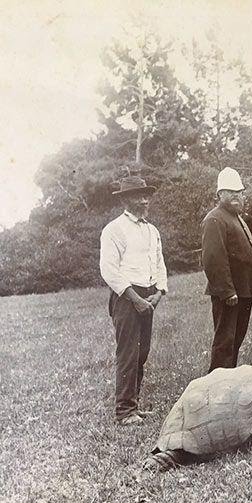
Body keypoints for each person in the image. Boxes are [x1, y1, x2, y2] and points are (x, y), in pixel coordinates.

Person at [100, 176, 168, 426]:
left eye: (147, 195)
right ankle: (124, 410)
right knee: (128, 353)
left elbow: (159, 263)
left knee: (142, 352)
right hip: (125, 297)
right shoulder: (114, 230)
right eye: (139, 195)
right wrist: (134, 298)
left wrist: (159, 292)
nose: (145, 199)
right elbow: (109, 270)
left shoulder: (152, 230)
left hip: (148, 295)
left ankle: (134, 404)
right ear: (126, 200)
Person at [201, 167, 252, 371]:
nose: (236, 195)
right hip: (230, 294)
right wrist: (227, 291)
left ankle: (229, 383)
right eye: (230, 192)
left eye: (239, 192)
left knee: (235, 342)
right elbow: (212, 259)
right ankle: (217, 387)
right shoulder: (215, 219)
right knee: (224, 344)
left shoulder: (235, 217)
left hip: (244, 291)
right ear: (220, 194)